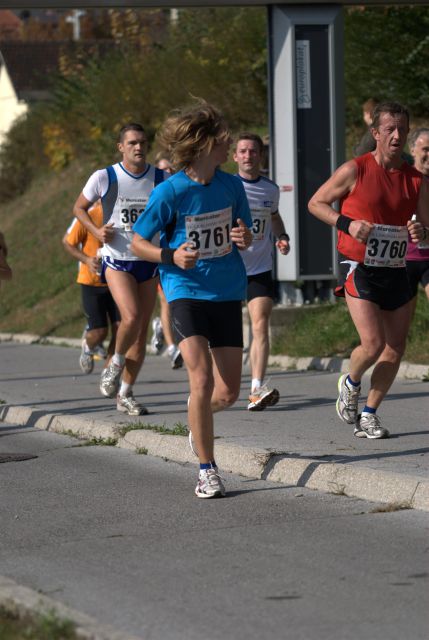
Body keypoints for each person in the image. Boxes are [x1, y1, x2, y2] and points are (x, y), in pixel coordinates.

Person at [131, 101, 253, 498]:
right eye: (224, 139)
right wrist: (171, 256)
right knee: (200, 379)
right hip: (185, 291)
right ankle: (207, 469)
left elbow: (246, 231)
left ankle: (195, 420)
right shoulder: (171, 191)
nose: (230, 143)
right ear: (203, 145)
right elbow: (137, 242)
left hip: (226, 291)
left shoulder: (232, 185)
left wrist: (244, 237)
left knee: (229, 393)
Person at [308, 101, 429, 439]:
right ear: (376, 133)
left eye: (402, 129)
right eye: (390, 129)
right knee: (373, 343)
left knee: (396, 347)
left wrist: (422, 232)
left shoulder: (415, 180)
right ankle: (351, 380)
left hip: (397, 267)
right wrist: (347, 223)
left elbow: (426, 225)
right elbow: (315, 203)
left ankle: (370, 412)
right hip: (358, 265)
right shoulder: (355, 169)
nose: (397, 135)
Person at [73, 123, 167, 415]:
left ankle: (125, 394)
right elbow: (78, 208)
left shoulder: (161, 178)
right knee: (133, 316)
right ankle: (114, 364)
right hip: (117, 259)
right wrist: (97, 231)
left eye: (143, 142)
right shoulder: (105, 176)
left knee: (139, 335)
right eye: (133, 143)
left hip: (148, 262)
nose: (139, 147)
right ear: (121, 147)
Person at [233, 132, 290, 411]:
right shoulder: (227, 187)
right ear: (235, 156)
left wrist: (282, 236)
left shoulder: (270, 189)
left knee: (260, 324)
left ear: (261, 156)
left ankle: (256, 388)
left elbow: (275, 217)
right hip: (228, 268)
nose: (248, 156)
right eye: (242, 151)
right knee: (226, 332)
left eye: (253, 151)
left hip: (260, 267)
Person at [62, 201, 120, 374]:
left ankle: (108, 373)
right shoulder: (89, 216)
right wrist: (87, 260)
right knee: (100, 332)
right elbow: (67, 242)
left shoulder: (124, 215)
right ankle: (88, 346)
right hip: (92, 282)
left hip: (118, 280)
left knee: (121, 328)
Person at [150, 153, 183, 369]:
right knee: (166, 301)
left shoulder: (180, 190)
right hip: (159, 254)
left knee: (175, 301)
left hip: (181, 253)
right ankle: (172, 349)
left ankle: (160, 326)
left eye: (170, 169)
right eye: (163, 170)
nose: (167, 173)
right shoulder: (156, 193)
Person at [406, 127, 429, 309]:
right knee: (397, 331)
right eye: (426, 149)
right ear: (412, 150)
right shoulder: (401, 179)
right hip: (404, 260)